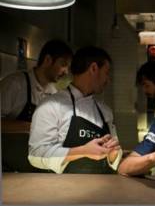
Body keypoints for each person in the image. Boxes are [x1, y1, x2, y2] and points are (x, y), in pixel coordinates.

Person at [28, 46, 122, 174]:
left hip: (101, 189)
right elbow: (36, 155)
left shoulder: (105, 111)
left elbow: (115, 154)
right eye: (106, 72)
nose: (108, 79)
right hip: (63, 190)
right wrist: (83, 151)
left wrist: (113, 154)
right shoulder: (50, 106)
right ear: (94, 68)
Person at [1, 39, 73, 172]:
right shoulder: (15, 84)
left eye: (68, 67)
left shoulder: (54, 92)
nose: (65, 71)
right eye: (63, 64)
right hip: (7, 168)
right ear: (47, 60)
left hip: (35, 166)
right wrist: (34, 127)